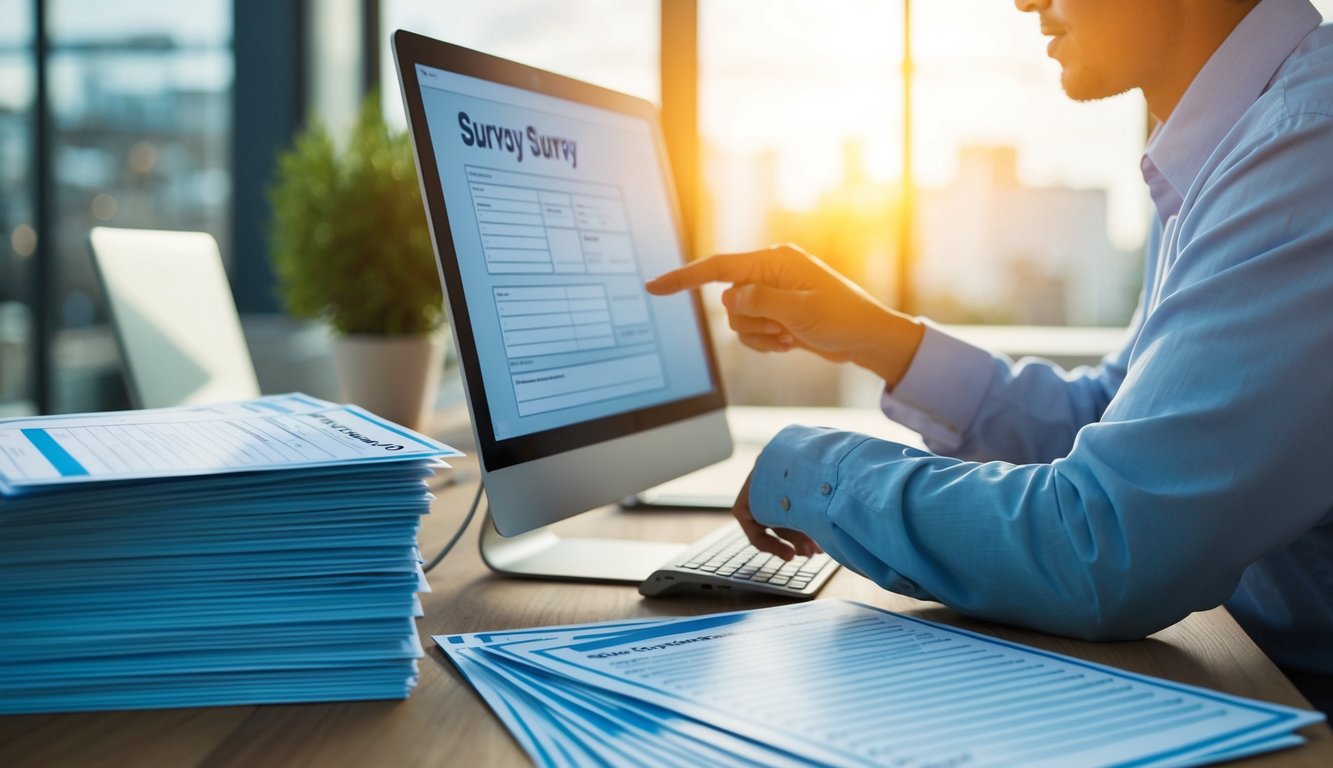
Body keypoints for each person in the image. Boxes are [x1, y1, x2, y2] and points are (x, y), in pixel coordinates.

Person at [646, 0, 1333, 715]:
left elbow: (1109, 543)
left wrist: (815, 474)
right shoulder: (1234, 142)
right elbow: (1116, 422)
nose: (1024, 1)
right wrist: (876, 335)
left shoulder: (1305, 147)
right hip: (1256, 676)